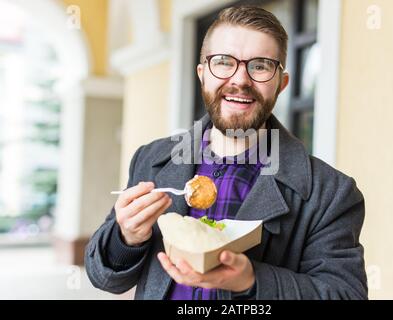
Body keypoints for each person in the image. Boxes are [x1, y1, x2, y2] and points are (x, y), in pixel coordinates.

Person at [85, 6, 368, 300]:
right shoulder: (151, 160)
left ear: (281, 83)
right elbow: (104, 278)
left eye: (260, 66)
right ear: (202, 75)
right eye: (223, 62)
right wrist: (125, 238)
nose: (240, 80)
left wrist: (251, 281)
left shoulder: (331, 193)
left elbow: (346, 295)